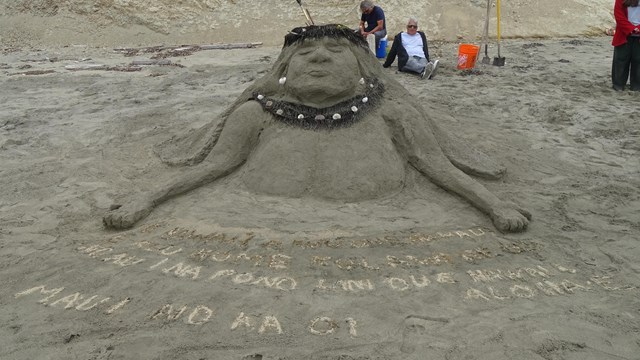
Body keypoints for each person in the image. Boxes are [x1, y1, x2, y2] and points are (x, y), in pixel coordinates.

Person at [104, 24, 530, 233]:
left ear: (362, 67)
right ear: (285, 68)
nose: (319, 58)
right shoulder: (255, 115)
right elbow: (214, 166)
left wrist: (494, 206)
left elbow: (437, 166)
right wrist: (147, 198)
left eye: (334, 50)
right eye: (305, 52)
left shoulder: (392, 113)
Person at [612, 0, 640, 91]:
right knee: (620, 61)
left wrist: (638, 29)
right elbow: (619, 16)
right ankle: (618, 85)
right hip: (623, 35)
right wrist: (631, 29)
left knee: (638, 61)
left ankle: (636, 87)